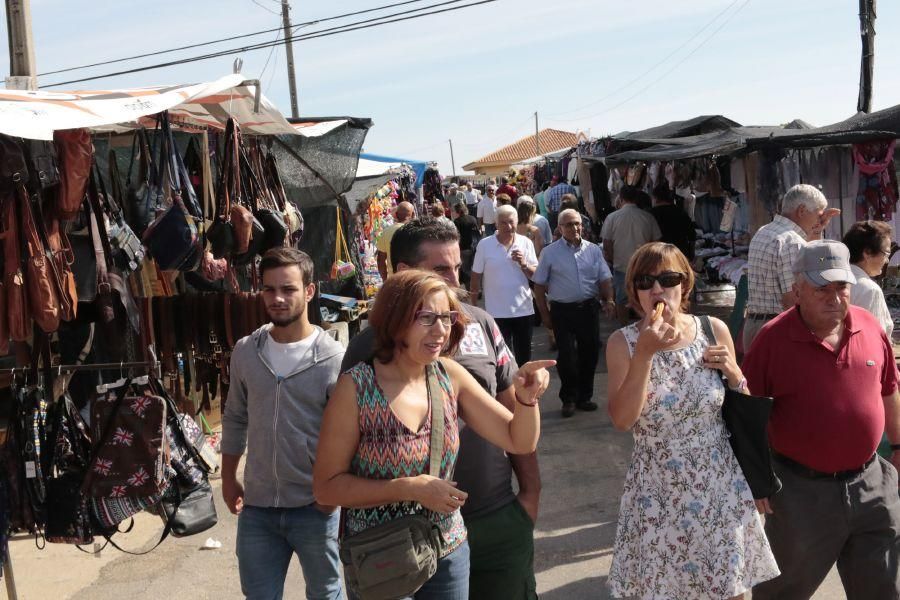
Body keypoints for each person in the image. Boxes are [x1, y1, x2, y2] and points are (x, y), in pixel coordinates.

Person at [315, 269, 553, 600]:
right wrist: (407, 489)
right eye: (426, 317)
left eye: (446, 317)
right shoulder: (356, 388)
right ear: (395, 320)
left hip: (448, 549)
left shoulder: (449, 375)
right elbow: (326, 488)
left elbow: (519, 439)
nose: (441, 330)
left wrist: (527, 401)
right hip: (381, 557)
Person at [606, 242, 779, 600]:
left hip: (719, 484)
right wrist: (645, 355)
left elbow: (740, 409)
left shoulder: (712, 329)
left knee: (731, 589)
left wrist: (734, 374)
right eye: (644, 281)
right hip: (658, 493)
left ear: (684, 285)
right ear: (634, 291)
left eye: (668, 278)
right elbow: (623, 420)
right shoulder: (623, 344)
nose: (656, 289)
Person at [743, 240, 900, 599]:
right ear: (797, 290)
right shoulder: (772, 340)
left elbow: (890, 390)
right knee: (783, 591)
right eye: (821, 288)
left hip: (870, 483)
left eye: (841, 286)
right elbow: (746, 417)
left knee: (882, 588)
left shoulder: (871, 327)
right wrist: (755, 481)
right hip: (800, 491)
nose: (834, 297)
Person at [221, 247, 346, 600]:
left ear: (309, 291)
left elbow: (349, 435)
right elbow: (234, 418)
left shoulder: (333, 360)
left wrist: (332, 496)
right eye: (269, 289)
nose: (277, 298)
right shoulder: (247, 352)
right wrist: (229, 478)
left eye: (288, 289)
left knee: (326, 594)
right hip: (258, 509)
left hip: (314, 507)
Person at [534, 209, 615, 418]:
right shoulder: (549, 252)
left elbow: (604, 278)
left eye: (577, 223)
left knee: (590, 354)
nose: (575, 228)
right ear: (560, 228)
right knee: (568, 356)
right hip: (562, 311)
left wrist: (609, 300)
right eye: (569, 224)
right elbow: (539, 286)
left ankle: (584, 397)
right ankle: (569, 398)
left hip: (588, 309)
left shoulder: (593, 251)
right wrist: (544, 315)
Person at [744, 184, 840, 350]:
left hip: (755, 326)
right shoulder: (792, 242)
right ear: (802, 211)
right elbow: (793, 300)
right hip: (777, 330)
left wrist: (817, 230)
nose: (819, 220)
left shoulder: (764, 231)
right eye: (818, 215)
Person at [471, 205, 539, 367]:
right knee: (502, 361)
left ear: (517, 222)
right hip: (497, 312)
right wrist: (474, 306)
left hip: (523, 310)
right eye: (503, 223)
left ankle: (525, 391)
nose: (508, 226)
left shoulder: (526, 243)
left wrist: (523, 264)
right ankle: (507, 391)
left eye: (511, 222)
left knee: (524, 358)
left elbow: (536, 275)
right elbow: (476, 276)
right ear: (495, 224)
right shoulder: (485, 245)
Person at [600, 185, 663, 324]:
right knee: (646, 298)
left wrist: (612, 258)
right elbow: (656, 243)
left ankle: (624, 328)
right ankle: (647, 327)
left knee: (621, 300)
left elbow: (606, 244)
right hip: (644, 266)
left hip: (621, 266)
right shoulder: (647, 217)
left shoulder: (611, 218)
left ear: (620, 199)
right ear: (636, 198)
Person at [843, 220, 894, 338]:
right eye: (886, 254)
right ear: (867, 253)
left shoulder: (835, 279)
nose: (887, 260)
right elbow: (874, 338)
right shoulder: (869, 289)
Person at [650, 184, 696, 260]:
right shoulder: (680, 212)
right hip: (679, 253)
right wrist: (691, 254)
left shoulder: (651, 214)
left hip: (659, 255)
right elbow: (692, 235)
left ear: (655, 198)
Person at [376, 200, 415, 281]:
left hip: (394, 280)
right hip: (413, 280)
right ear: (413, 215)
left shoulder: (386, 232)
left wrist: (385, 281)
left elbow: (381, 260)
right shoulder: (416, 231)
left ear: (396, 215)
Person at [452, 204, 480, 288]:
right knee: (475, 268)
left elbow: (456, 236)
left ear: (457, 211)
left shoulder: (457, 221)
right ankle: (477, 289)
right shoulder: (472, 218)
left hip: (464, 248)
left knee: (466, 269)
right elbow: (477, 232)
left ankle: (471, 289)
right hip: (474, 247)